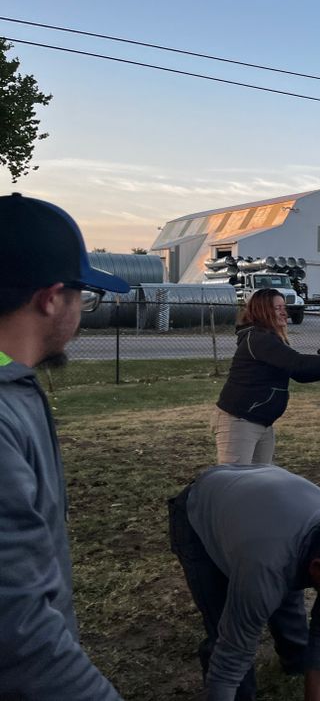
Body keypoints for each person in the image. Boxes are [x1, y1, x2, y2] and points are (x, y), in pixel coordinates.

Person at [0, 192, 129, 698]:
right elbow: (19, 638)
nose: (82, 310)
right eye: (85, 295)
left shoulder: (13, 383)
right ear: (52, 297)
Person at [168, 464, 320, 701]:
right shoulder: (264, 565)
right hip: (202, 509)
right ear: (317, 568)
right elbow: (231, 656)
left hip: (263, 506)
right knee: (226, 624)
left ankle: (296, 660)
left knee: (285, 598)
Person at [214, 288, 320, 464]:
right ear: (262, 310)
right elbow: (297, 363)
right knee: (235, 480)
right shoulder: (257, 339)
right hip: (239, 421)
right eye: (277, 308)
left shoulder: (270, 338)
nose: (284, 312)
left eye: (283, 307)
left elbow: (298, 374)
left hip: (261, 421)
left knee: (259, 481)